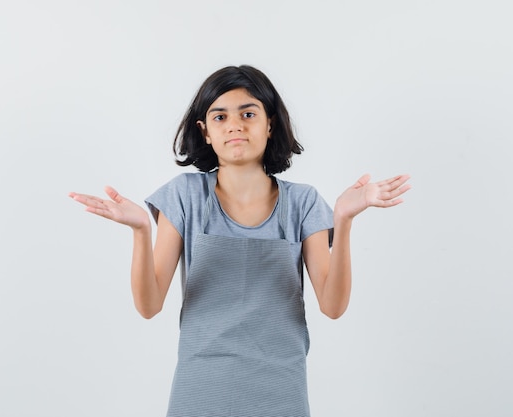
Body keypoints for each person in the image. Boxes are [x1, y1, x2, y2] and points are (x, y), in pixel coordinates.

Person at [69, 65, 410, 417]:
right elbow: (149, 305)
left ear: (270, 124)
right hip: (200, 386)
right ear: (204, 132)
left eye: (248, 113)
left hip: (281, 389)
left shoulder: (304, 203)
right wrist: (141, 231)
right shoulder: (184, 196)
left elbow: (333, 306)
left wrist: (344, 219)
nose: (234, 125)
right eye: (220, 117)